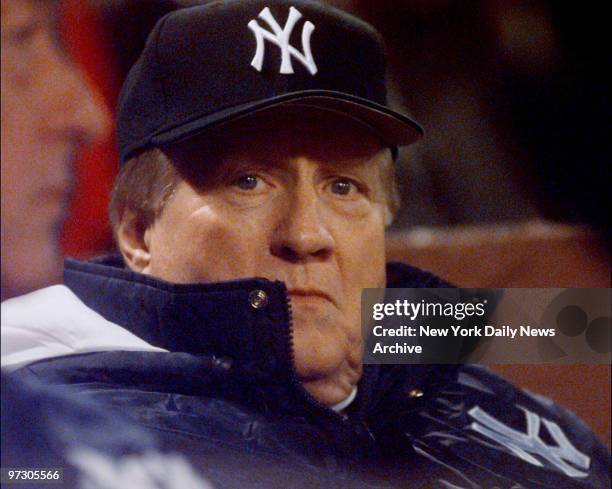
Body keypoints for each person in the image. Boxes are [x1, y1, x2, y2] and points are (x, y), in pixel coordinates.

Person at [2, 1, 609, 487]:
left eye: (343, 186)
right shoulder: (48, 439)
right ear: (137, 232)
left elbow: (571, 325)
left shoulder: (474, 372)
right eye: (248, 182)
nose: (306, 235)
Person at [1, 2, 211, 487]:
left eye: (344, 186)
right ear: (139, 231)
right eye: (18, 41)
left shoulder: (411, 327)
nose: (90, 115)